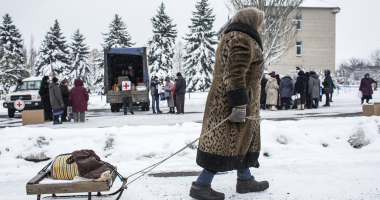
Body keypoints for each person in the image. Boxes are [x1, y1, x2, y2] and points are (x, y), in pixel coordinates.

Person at [189, 7, 269, 200]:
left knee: (241, 141)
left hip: (238, 102)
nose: (261, 28)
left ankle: (245, 180)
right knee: (223, 144)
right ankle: (201, 185)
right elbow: (235, 73)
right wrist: (239, 104)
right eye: (259, 24)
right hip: (231, 103)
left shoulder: (236, 37)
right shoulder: (241, 38)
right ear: (251, 22)